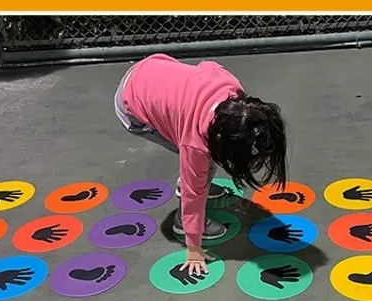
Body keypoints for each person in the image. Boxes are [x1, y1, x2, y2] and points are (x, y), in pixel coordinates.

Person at [114, 53, 288, 276]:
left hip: (150, 70)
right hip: (132, 107)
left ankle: (203, 181)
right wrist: (194, 248)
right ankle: (182, 221)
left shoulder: (231, 89)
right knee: (197, 173)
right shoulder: (196, 145)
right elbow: (192, 192)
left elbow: (209, 66)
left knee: (203, 161)